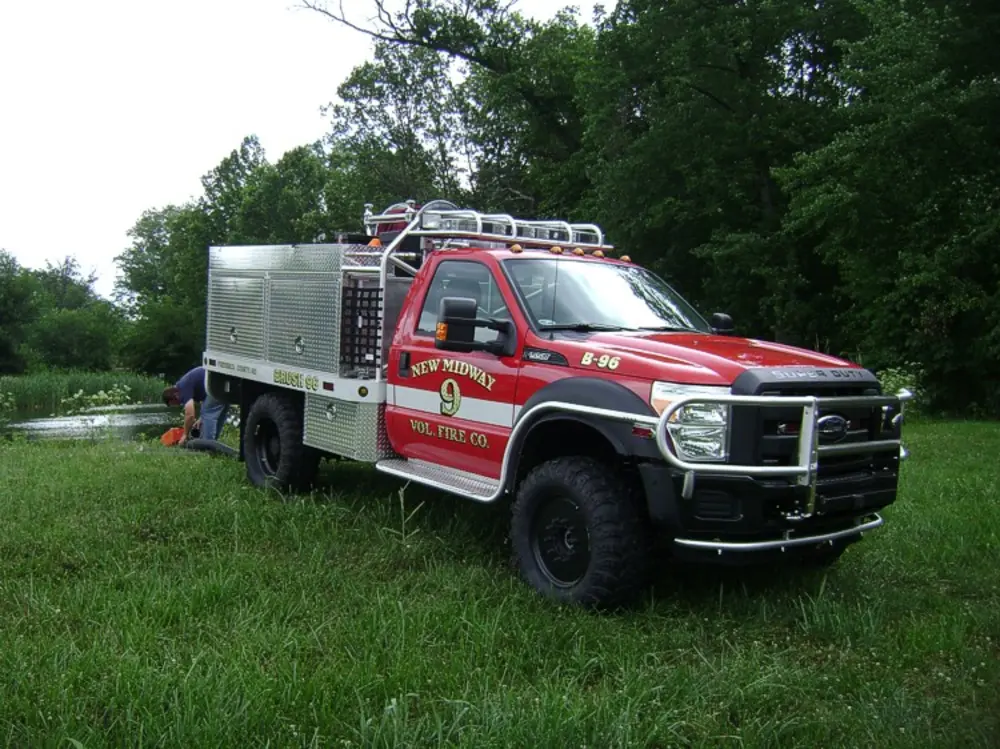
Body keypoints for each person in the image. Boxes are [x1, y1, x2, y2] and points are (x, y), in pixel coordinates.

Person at [161, 366, 230, 445]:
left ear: (175, 396)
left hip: (216, 382)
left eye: (176, 403)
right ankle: (214, 444)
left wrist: (185, 435)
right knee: (218, 415)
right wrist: (201, 419)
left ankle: (207, 445)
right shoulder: (184, 386)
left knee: (208, 413)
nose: (179, 404)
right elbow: (206, 401)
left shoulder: (182, 388)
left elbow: (190, 415)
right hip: (224, 381)